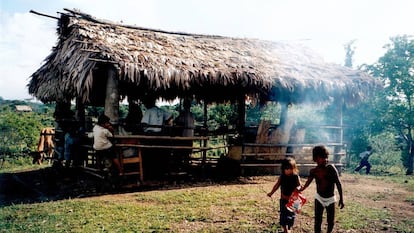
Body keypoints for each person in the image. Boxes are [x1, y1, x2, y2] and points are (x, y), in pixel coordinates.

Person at [300, 145, 344, 233]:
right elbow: (307, 183)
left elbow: (338, 183)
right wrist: (300, 189)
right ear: (316, 159)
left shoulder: (331, 168)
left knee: (330, 221)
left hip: (331, 199)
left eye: (326, 157)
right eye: (322, 157)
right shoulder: (314, 171)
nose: (325, 160)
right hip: (319, 198)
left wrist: (341, 199)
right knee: (317, 221)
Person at [267, 157, 302, 233]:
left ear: (294, 168)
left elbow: (300, 186)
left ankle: (289, 228)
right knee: (283, 215)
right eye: (287, 169)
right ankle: (285, 229)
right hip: (284, 200)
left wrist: (298, 188)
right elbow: (276, 186)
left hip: (294, 201)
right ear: (283, 169)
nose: (288, 171)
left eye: (290, 169)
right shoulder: (282, 177)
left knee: (291, 215)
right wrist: (271, 193)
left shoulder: (296, 177)